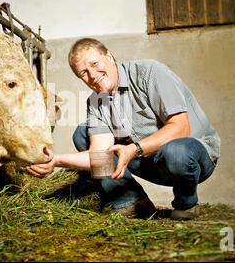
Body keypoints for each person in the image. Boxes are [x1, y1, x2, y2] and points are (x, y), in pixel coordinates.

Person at [25, 38, 221, 220]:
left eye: (94, 64)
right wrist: (55, 160)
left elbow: (181, 128)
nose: (92, 75)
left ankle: (186, 204)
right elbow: (99, 155)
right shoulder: (96, 103)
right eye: (83, 73)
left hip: (190, 158)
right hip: (149, 162)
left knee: (176, 150)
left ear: (109, 56)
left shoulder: (150, 72)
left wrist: (132, 149)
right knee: (82, 133)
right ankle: (133, 201)